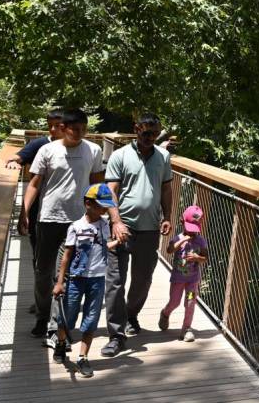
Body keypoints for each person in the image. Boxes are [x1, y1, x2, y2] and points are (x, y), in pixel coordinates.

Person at [19, 108, 106, 341]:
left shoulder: (93, 150)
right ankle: (42, 314)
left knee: (65, 274)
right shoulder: (47, 150)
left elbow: (98, 185)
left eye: (83, 129)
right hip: (49, 218)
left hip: (79, 222)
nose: (79, 133)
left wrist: (107, 216)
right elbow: (35, 184)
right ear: (62, 128)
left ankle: (56, 324)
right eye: (74, 129)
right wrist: (24, 212)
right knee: (42, 271)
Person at [101, 113, 174, 357]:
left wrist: (167, 217)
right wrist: (116, 221)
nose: (149, 138)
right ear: (136, 129)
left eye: (154, 134)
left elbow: (165, 188)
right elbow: (109, 190)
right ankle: (115, 334)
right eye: (145, 133)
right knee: (115, 282)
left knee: (143, 280)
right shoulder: (120, 156)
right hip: (122, 228)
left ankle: (131, 314)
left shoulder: (163, 156)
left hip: (150, 229)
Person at [51, 184, 119, 377]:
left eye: (106, 207)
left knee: (91, 318)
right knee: (67, 317)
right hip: (76, 278)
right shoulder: (76, 227)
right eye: (100, 206)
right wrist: (59, 282)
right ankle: (61, 343)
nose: (104, 210)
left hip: (97, 279)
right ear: (87, 203)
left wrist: (118, 242)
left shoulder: (105, 225)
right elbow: (67, 255)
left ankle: (82, 357)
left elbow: (105, 246)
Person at [6, 109, 64, 311]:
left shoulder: (77, 149)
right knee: (40, 259)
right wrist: (13, 162)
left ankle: (57, 300)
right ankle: (42, 300)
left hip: (67, 214)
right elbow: (19, 156)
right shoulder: (41, 144)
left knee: (64, 258)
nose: (54, 128)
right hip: (39, 211)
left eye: (58, 124)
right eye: (50, 124)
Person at [158, 205, 208, 342]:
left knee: (190, 302)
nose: (191, 233)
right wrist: (183, 240)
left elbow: (205, 257)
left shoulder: (201, 241)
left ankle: (186, 328)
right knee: (174, 302)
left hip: (192, 280)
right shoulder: (177, 238)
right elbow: (169, 250)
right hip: (178, 279)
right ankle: (165, 313)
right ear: (182, 222)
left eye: (194, 229)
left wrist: (197, 258)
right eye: (189, 229)